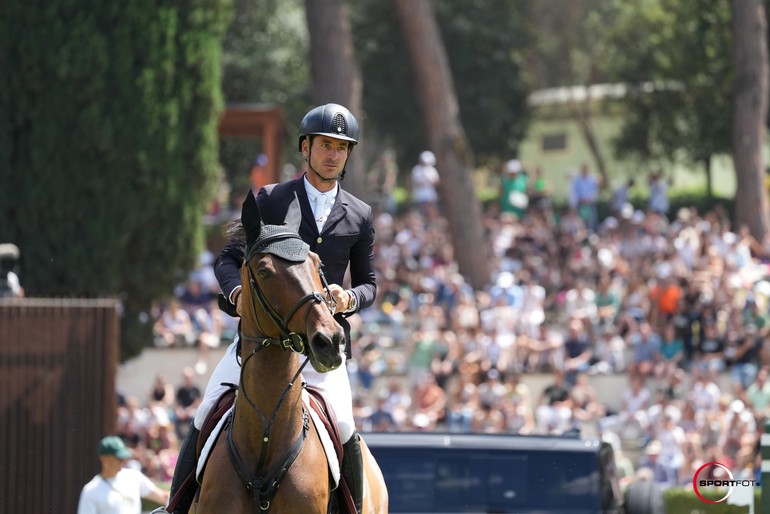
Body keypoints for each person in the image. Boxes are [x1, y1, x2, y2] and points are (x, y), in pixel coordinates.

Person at [160, 103, 376, 514]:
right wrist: (237, 297)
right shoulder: (272, 199)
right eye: (325, 145)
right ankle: (175, 507)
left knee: (345, 427)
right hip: (260, 346)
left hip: (320, 351)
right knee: (206, 411)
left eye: (342, 148)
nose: (333, 154)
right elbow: (226, 259)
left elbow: (370, 284)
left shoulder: (360, 215)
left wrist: (351, 298)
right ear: (305, 147)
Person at [77, 436, 169, 514]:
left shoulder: (133, 477)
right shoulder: (90, 491)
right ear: (105, 459)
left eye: (123, 457)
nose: (123, 461)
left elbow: (162, 496)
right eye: (118, 458)